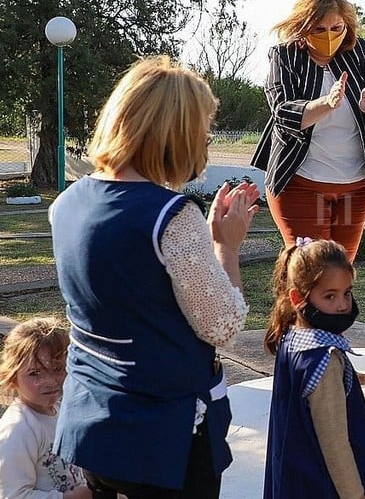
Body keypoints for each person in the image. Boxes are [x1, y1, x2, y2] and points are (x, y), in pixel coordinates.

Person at [49, 56, 260, 497]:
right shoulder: (173, 215)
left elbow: (131, 292)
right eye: (202, 129)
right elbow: (222, 326)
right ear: (176, 134)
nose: (205, 139)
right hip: (163, 437)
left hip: (93, 421)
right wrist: (226, 246)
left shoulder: (68, 202)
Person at [251, 0, 365, 260]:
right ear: (303, 26)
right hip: (299, 184)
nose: (329, 36)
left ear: (347, 24)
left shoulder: (362, 52)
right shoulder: (285, 56)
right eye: (319, 29)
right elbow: (283, 112)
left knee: (340, 273)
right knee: (310, 274)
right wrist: (326, 103)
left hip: (357, 187)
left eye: (336, 28)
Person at [262, 238, 365, 499]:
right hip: (324, 488)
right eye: (330, 296)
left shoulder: (290, 339)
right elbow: (335, 443)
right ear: (298, 298)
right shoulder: (324, 361)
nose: (342, 305)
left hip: (293, 482)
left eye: (346, 293)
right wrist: (356, 495)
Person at [0, 316, 90, 498]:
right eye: (34, 373)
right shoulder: (17, 430)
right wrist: (71, 497)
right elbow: (13, 495)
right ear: (13, 377)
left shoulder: (61, 408)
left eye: (57, 369)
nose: (50, 381)